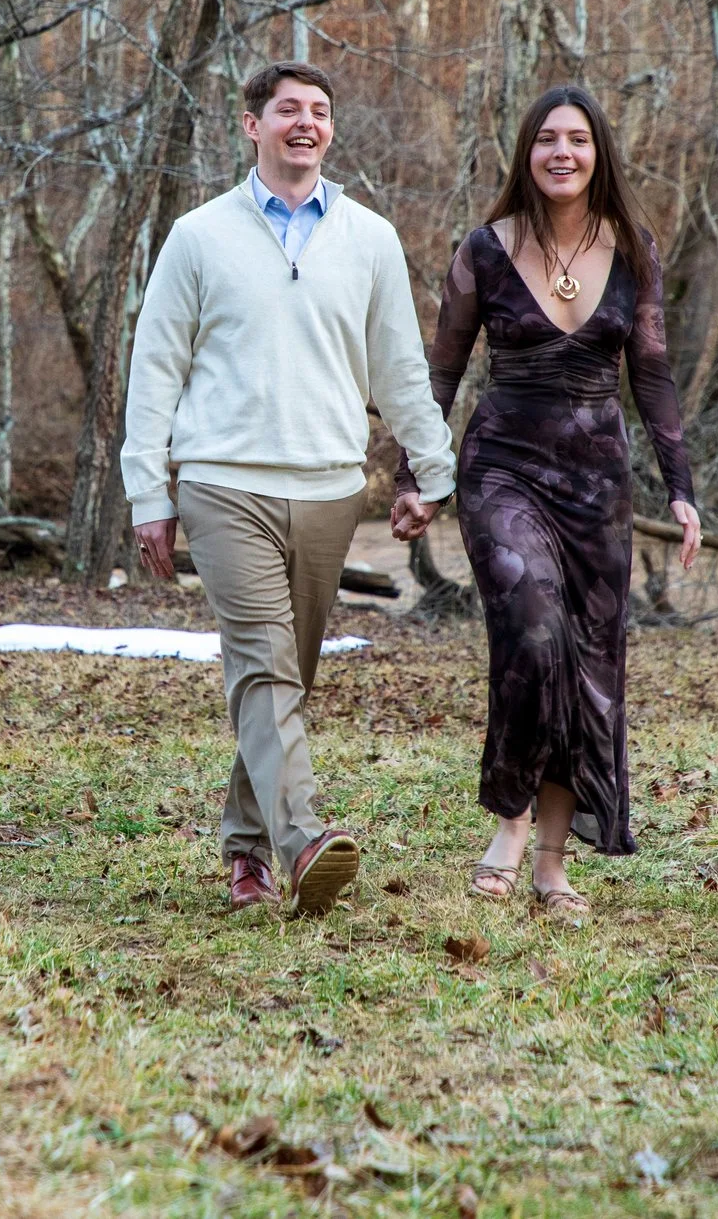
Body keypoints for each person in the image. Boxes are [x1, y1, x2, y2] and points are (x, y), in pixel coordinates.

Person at [123, 60, 456, 917]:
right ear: (252, 125)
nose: (304, 122)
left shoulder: (369, 238)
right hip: (222, 483)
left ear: (331, 131)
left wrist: (432, 467)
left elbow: (399, 367)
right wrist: (148, 490)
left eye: (318, 111)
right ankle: (304, 839)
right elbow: (154, 368)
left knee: (280, 676)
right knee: (267, 666)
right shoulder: (199, 236)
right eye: (286, 110)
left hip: (330, 488)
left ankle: (245, 853)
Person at [397, 84, 702, 916]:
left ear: (598, 154)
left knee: (588, 662)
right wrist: (413, 477)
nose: (561, 152)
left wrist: (681, 489)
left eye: (577, 139)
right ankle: (509, 825)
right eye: (546, 139)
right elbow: (441, 371)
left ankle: (553, 864)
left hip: (597, 484)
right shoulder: (485, 250)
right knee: (532, 632)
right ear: (525, 152)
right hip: (502, 468)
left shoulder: (633, 250)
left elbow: (653, 374)